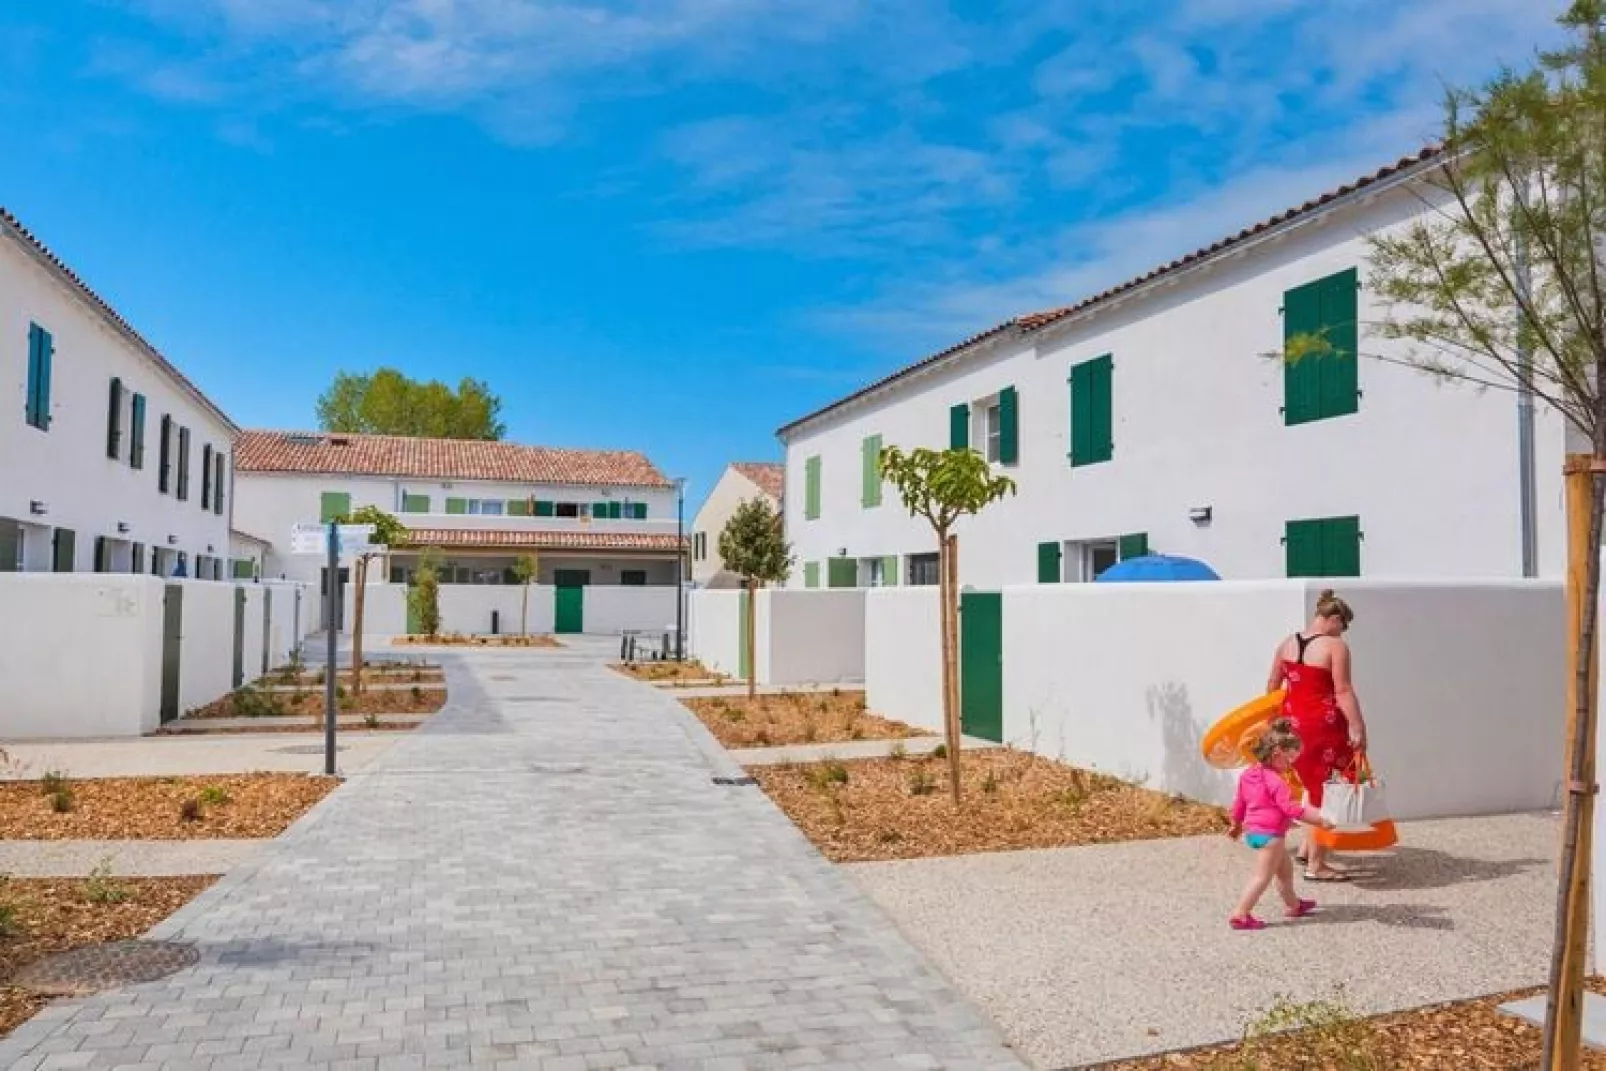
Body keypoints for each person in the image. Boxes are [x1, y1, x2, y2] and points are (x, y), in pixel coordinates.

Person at [1266, 589, 1368, 882]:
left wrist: (1275, 723)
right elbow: (1343, 691)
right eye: (1343, 625)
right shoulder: (1335, 647)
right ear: (1333, 619)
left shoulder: (1287, 642)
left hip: (1290, 723)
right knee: (1328, 791)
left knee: (1311, 784)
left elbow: (1273, 684)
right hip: (1322, 724)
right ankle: (1317, 865)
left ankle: (1307, 848)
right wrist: (1357, 726)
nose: (1343, 632)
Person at [1227, 718, 1335, 931]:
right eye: (1289, 760)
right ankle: (1240, 914)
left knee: (1284, 872)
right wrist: (1320, 819)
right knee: (1261, 877)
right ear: (1276, 755)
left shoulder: (1248, 775)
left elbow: (1239, 802)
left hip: (1254, 833)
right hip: (1271, 836)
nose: (1290, 765)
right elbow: (1291, 809)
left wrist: (1236, 824)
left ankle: (1294, 905)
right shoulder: (1276, 781)